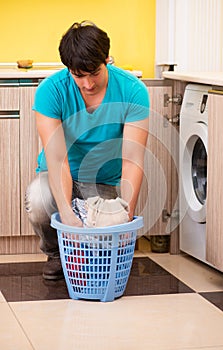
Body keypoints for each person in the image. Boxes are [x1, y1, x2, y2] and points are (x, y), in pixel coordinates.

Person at [25, 21, 149, 280]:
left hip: (104, 179)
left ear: (107, 60)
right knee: (38, 199)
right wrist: (67, 216)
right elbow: (58, 159)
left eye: (94, 73)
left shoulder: (133, 90)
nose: (88, 83)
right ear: (68, 69)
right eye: (78, 75)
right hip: (60, 173)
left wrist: (125, 215)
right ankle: (57, 254)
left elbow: (132, 160)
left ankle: (92, 255)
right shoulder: (51, 91)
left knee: (103, 238)